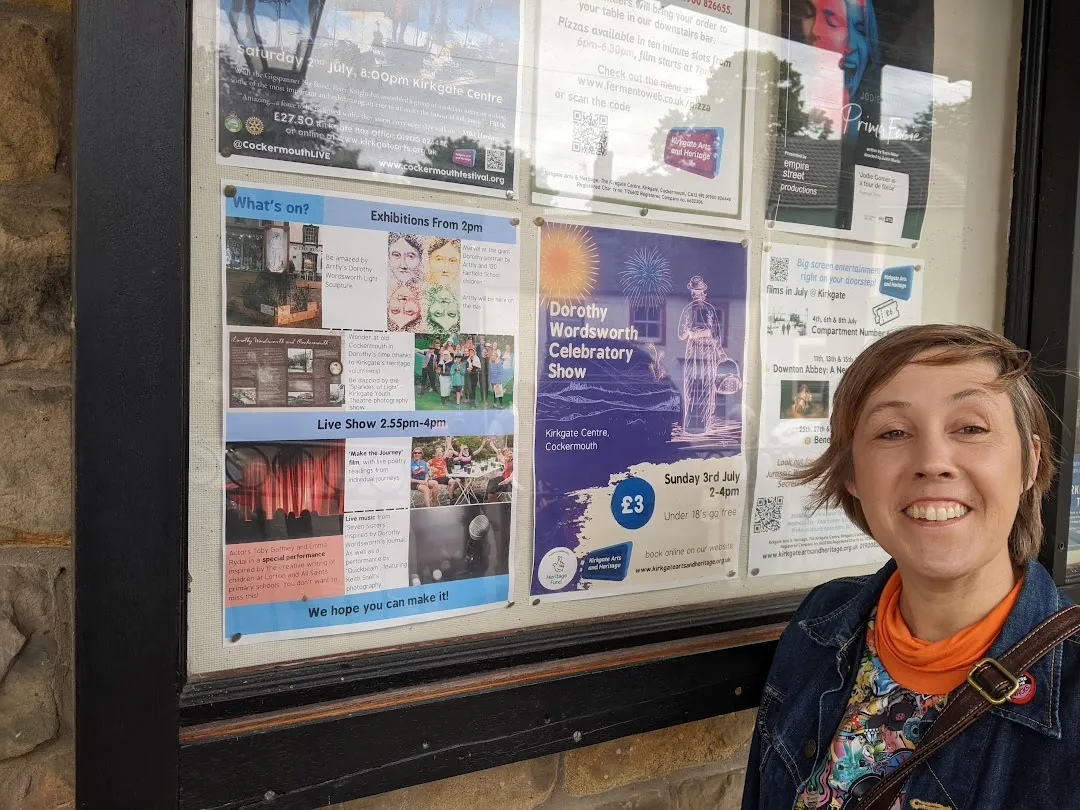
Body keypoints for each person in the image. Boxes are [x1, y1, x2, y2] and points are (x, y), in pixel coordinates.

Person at [742, 325, 1080, 810]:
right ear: (852, 473)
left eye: (971, 428)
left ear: (1030, 462)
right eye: (893, 432)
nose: (933, 462)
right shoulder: (824, 621)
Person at [678, 276, 726, 433]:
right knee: (691, 387)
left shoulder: (710, 310)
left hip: (707, 353)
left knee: (707, 387)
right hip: (693, 351)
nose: (697, 295)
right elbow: (681, 334)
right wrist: (690, 331)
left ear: (704, 293)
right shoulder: (687, 310)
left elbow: (716, 334)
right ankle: (691, 425)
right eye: (694, 292)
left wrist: (721, 354)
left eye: (700, 292)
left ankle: (705, 425)